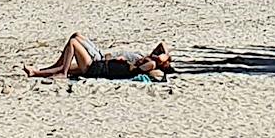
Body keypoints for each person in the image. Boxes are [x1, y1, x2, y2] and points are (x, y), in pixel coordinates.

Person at [26, 35, 173, 81]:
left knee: (73, 43)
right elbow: (162, 45)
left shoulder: (137, 68)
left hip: (94, 66)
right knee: (69, 67)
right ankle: (36, 73)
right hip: (97, 65)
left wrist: (163, 60)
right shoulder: (133, 64)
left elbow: (156, 62)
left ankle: (62, 74)